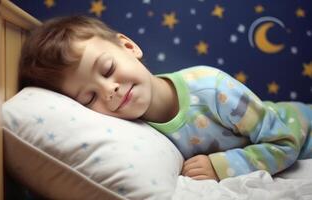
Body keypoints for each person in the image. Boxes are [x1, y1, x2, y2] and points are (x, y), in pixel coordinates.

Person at [19, 15, 312, 181]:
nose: (110, 91)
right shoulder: (134, 131)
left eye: (107, 69)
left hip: (301, 126)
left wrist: (221, 166)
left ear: (129, 46)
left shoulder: (212, 88)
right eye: (88, 98)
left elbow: (284, 142)